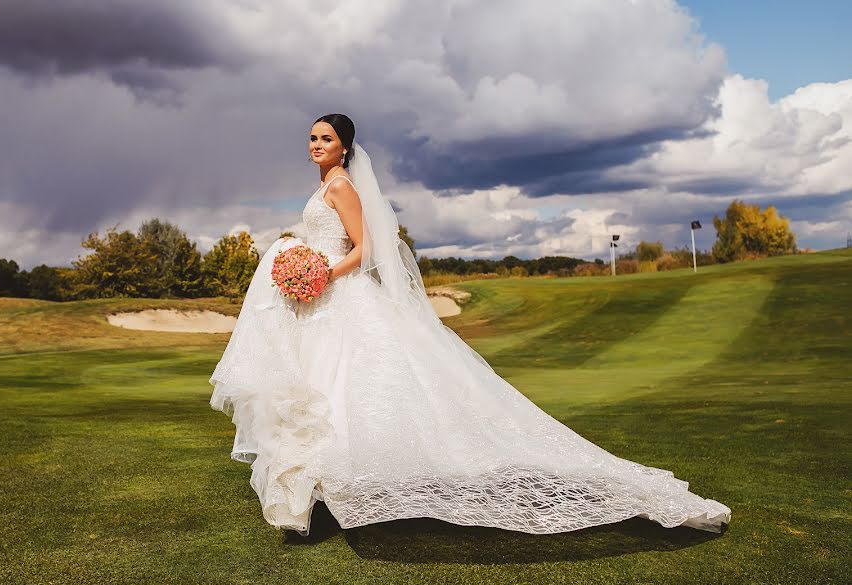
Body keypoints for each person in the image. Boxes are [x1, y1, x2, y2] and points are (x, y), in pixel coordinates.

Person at [209, 113, 731, 536]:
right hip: (321, 302)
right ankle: (313, 492)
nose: (316, 145)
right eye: (311, 138)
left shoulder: (342, 185)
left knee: (346, 386)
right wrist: (298, 258)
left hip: (340, 295)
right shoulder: (325, 185)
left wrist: (321, 271)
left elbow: (368, 248)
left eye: (326, 139)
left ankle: (323, 491)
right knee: (317, 390)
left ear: (345, 148)